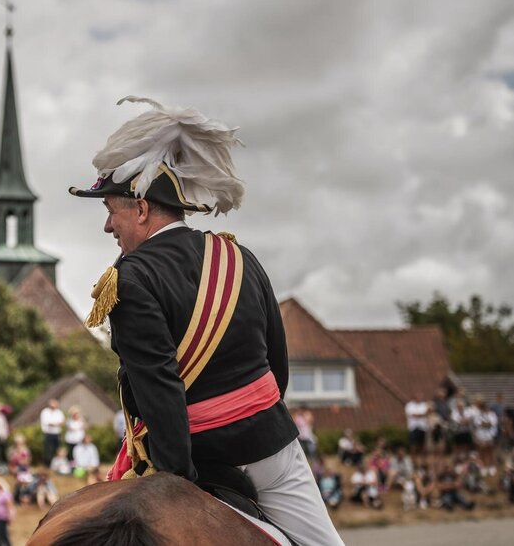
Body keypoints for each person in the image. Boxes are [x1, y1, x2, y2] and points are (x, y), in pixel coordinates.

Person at [69, 97, 342, 545]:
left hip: (202, 457)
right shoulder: (237, 256)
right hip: (272, 444)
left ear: (140, 209)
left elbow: (160, 390)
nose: (107, 228)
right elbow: (277, 361)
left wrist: (176, 484)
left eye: (110, 212)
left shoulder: (129, 279)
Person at [39, 398, 64, 467]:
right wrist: (56, 423)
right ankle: (47, 465)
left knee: (57, 450)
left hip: (57, 434)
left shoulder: (59, 412)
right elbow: (47, 423)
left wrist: (54, 423)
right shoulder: (45, 412)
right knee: (48, 450)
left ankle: (56, 465)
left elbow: (62, 423)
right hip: (48, 433)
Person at [405, 392, 430, 459]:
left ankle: (423, 463)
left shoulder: (424, 405)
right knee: (413, 446)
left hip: (423, 428)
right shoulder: (409, 405)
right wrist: (422, 414)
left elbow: (428, 413)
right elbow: (413, 415)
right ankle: (414, 463)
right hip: (413, 428)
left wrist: (420, 415)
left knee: (423, 447)